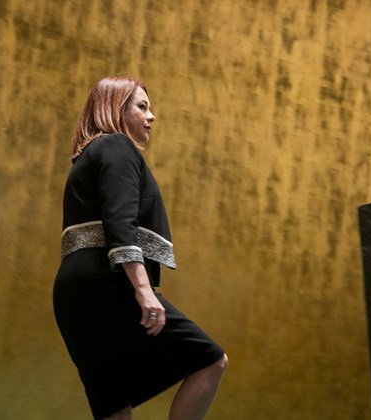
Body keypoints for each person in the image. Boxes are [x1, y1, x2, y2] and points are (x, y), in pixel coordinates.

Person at [53, 76, 229, 420]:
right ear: (116, 109)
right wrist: (144, 290)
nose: (152, 117)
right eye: (142, 106)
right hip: (107, 282)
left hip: (74, 291)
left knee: (114, 405)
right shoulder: (118, 146)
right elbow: (121, 223)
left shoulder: (91, 154)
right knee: (211, 360)